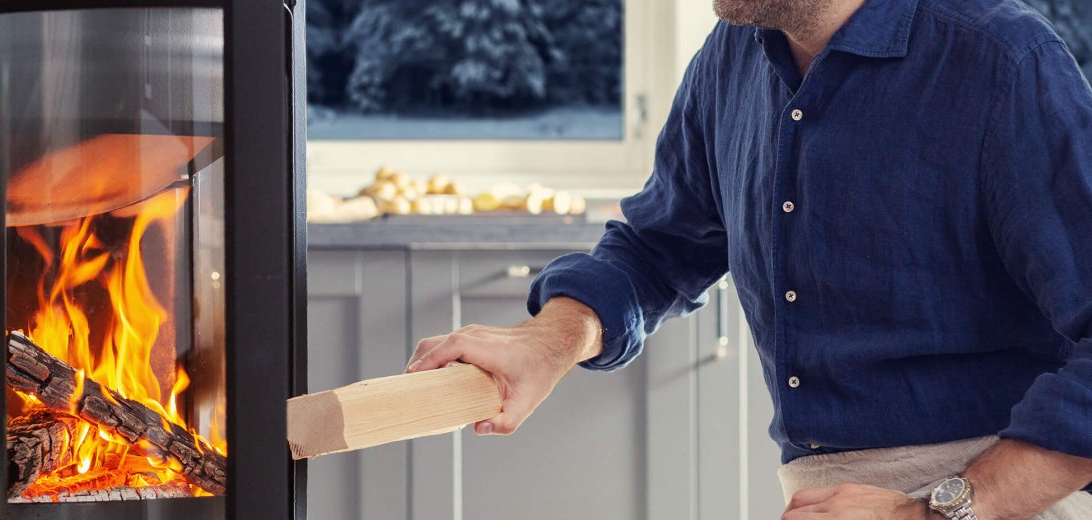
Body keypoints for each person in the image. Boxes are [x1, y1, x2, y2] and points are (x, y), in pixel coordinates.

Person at [404, 0, 1092, 517]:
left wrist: (933, 510)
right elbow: (660, 249)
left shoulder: (1003, 62)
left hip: (998, 497)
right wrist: (548, 342)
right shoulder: (730, 58)